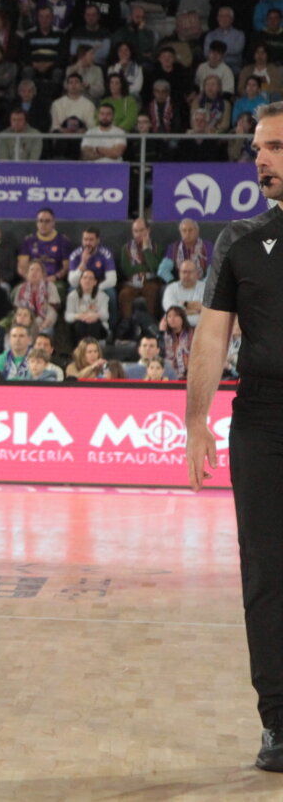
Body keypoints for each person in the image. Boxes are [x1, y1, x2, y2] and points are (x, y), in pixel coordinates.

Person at [184, 101, 283, 772]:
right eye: (257, 148)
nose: (261, 158)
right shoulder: (239, 241)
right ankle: (279, 720)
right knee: (267, 575)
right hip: (264, 422)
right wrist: (196, 420)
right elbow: (212, 337)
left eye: (274, 147)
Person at [18, 207, 72, 283]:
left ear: (53, 222)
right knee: (17, 291)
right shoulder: (28, 240)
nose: (43, 224)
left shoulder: (63, 241)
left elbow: (66, 267)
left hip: (54, 281)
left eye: (47, 221)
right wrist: (30, 278)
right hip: (31, 280)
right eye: (40, 221)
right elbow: (22, 266)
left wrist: (55, 277)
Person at [65, 269, 109, 342]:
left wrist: (95, 315)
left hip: (97, 326)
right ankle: (81, 350)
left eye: (91, 278)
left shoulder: (102, 296)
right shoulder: (72, 296)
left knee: (93, 323)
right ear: (80, 281)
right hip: (79, 325)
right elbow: (68, 316)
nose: (87, 280)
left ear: (95, 282)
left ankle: (93, 349)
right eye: (85, 278)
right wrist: (79, 316)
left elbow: (105, 315)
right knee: (80, 324)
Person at [163, 259, 206, 327]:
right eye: (184, 272)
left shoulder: (205, 288)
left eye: (190, 272)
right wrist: (195, 311)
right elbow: (172, 310)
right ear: (179, 273)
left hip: (201, 327)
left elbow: (206, 309)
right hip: (177, 328)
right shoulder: (171, 288)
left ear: (196, 273)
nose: (187, 275)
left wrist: (185, 304)